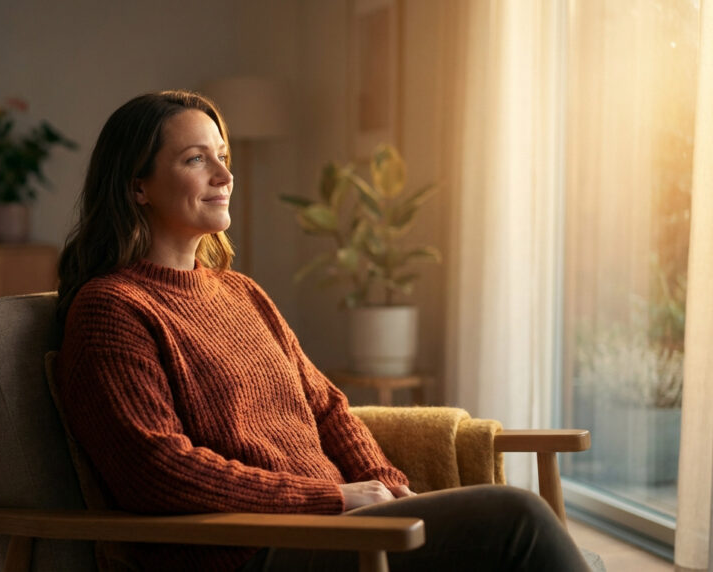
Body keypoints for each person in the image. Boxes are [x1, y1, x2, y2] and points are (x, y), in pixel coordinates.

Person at [54, 90, 590, 572]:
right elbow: (156, 471)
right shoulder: (113, 310)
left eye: (223, 156)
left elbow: (327, 408)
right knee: (515, 515)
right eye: (196, 159)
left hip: (332, 529)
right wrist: (335, 498)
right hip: (245, 553)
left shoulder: (241, 293)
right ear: (138, 187)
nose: (224, 175)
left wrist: (388, 487)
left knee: (547, 547)